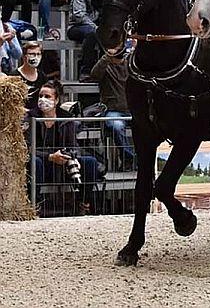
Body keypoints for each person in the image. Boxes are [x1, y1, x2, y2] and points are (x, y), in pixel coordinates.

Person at [26, 80, 102, 215]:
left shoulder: (66, 118)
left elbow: (73, 146)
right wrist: (50, 157)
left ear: (56, 100)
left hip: (62, 164)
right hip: (41, 162)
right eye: (40, 96)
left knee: (90, 162)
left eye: (47, 96)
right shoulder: (31, 117)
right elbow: (26, 148)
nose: (42, 99)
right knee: (34, 162)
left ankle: (83, 203)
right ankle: (34, 206)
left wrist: (70, 156)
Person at [90, 52, 135, 170]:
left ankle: (142, 159)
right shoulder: (105, 65)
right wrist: (107, 57)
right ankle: (129, 158)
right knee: (116, 126)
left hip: (135, 109)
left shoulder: (131, 63)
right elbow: (94, 75)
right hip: (113, 110)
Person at [67, 0, 102, 77]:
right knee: (92, 32)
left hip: (97, 25)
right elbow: (79, 15)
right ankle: (86, 71)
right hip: (76, 26)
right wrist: (96, 27)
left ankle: (105, 71)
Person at [17, 41, 47, 109]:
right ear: (24, 56)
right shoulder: (14, 76)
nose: (36, 57)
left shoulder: (42, 76)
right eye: (32, 54)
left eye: (38, 54)